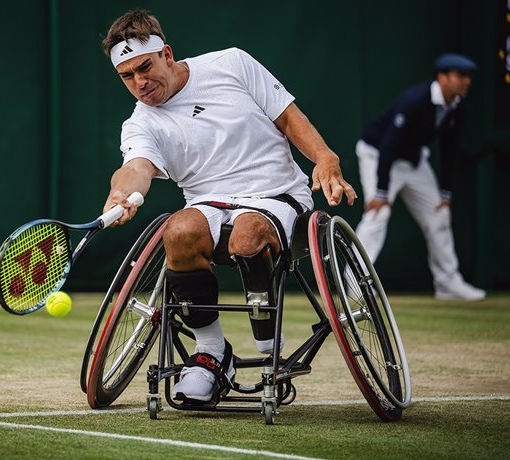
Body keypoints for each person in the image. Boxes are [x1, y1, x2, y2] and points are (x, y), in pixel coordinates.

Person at [99, 9, 356, 402]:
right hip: (208, 205)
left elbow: (289, 118)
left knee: (248, 233)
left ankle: (267, 334)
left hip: (278, 194)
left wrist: (324, 157)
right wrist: (120, 192)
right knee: (178, 231)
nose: (139, 82)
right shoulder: (140, 123)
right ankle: (212, 353)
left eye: (145, 67)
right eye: (127, 76)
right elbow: (135, 167)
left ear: (167, 54)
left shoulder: (230, 63)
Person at [354, 53, 485, 301]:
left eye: (468, 77)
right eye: (460, 76)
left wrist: (445, 193)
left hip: (413, 161)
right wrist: (381, 192)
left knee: (439, 213)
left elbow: (450, 149)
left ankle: (447, 283)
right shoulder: (415, 100)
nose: (466, 81)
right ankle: (353, 282)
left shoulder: (458, 107)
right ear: (442, 78)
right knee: (378, 212)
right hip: (378, 154)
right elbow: (389, 145)